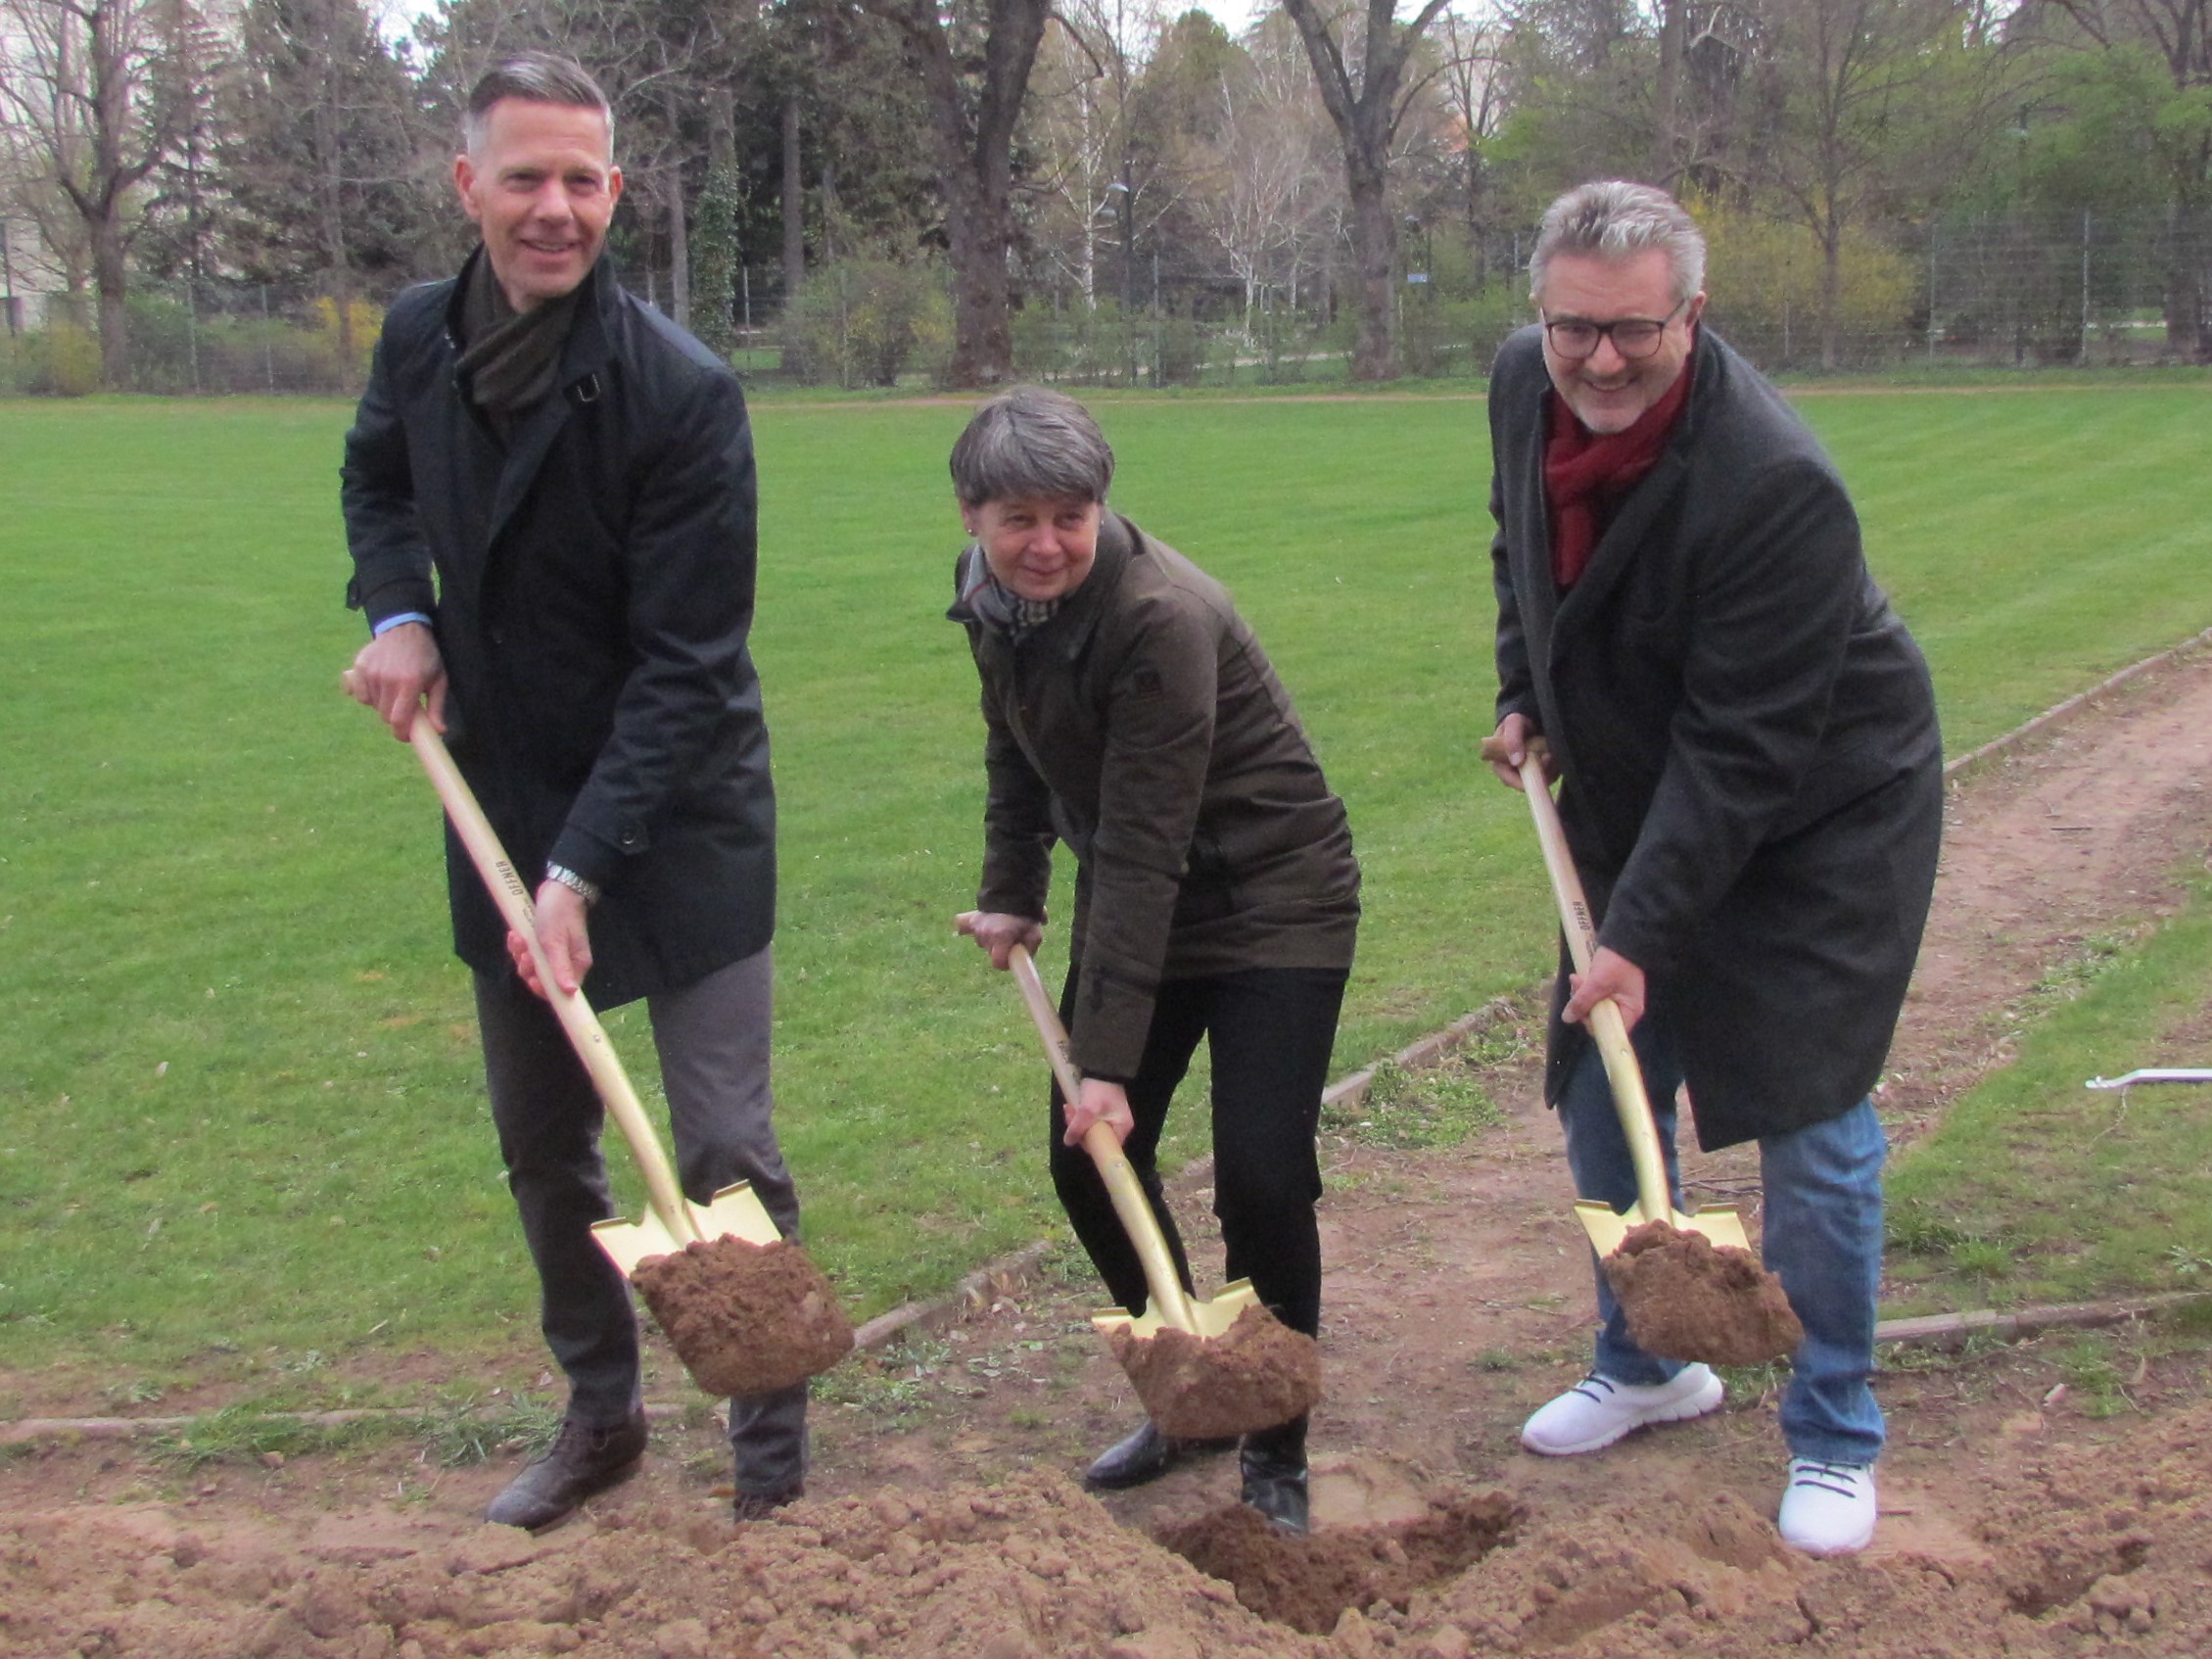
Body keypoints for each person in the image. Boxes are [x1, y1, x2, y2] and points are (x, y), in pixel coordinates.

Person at [340, 52, 808, 1532]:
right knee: (546, 1145)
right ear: (464, 184)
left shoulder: (678, 390)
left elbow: (684, 663)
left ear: (617, 189)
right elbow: (374, 482)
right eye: (525, 176)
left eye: (582, 179)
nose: (556, 208)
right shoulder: (419, 338)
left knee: (721, 1142)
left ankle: (769, 1442)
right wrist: (391, 612)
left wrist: (582, 868)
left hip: (678, 820)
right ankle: (600, 1412)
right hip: (502, 805)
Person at [1484, 181, 1943, 1557]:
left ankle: (1833, 1425)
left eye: (1632, 331)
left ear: (1693, 314)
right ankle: (1645, 1361)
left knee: (1804, 1114)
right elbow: (1521, 555)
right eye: (1573, 328)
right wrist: (1526, 692)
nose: (1599, 360)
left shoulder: (1772, 481)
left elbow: (1741, 750)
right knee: (1600, 1085)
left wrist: (1636, 933)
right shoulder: (1523, 382)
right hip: (1641, 777)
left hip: (1816, 809)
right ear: (1540, 316)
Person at [948, 387, 1360, 1535]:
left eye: (1069, 515)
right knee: (1086, 1163)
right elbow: (1015, 749)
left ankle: (1276, 1434)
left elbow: (1139, 846)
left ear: (1100, 508)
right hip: (1154, 902)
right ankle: (1193, 1387)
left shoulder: (1160, 617)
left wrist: (1109, 1066)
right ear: (972, 514)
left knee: (1262, 1173)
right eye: (1017, 517)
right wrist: (1012, 891)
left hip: (1277, 897)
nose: (1045, 543)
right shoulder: (994, 600)